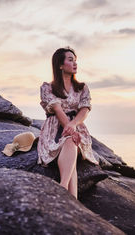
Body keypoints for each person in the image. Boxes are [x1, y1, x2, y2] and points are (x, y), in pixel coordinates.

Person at [37, 47, 99, 199]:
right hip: (55, 129)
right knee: (71, 142)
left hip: (76, 125)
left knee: (71, 141)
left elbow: (84, 110)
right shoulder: (48, 88)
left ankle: (63, 187)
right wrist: (69, 127)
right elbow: (58, 110)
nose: (75, 63)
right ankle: (71, 196)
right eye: (70, 60)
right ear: (60, 65)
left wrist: (73, 125)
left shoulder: (82, 88)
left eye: (75, 60)